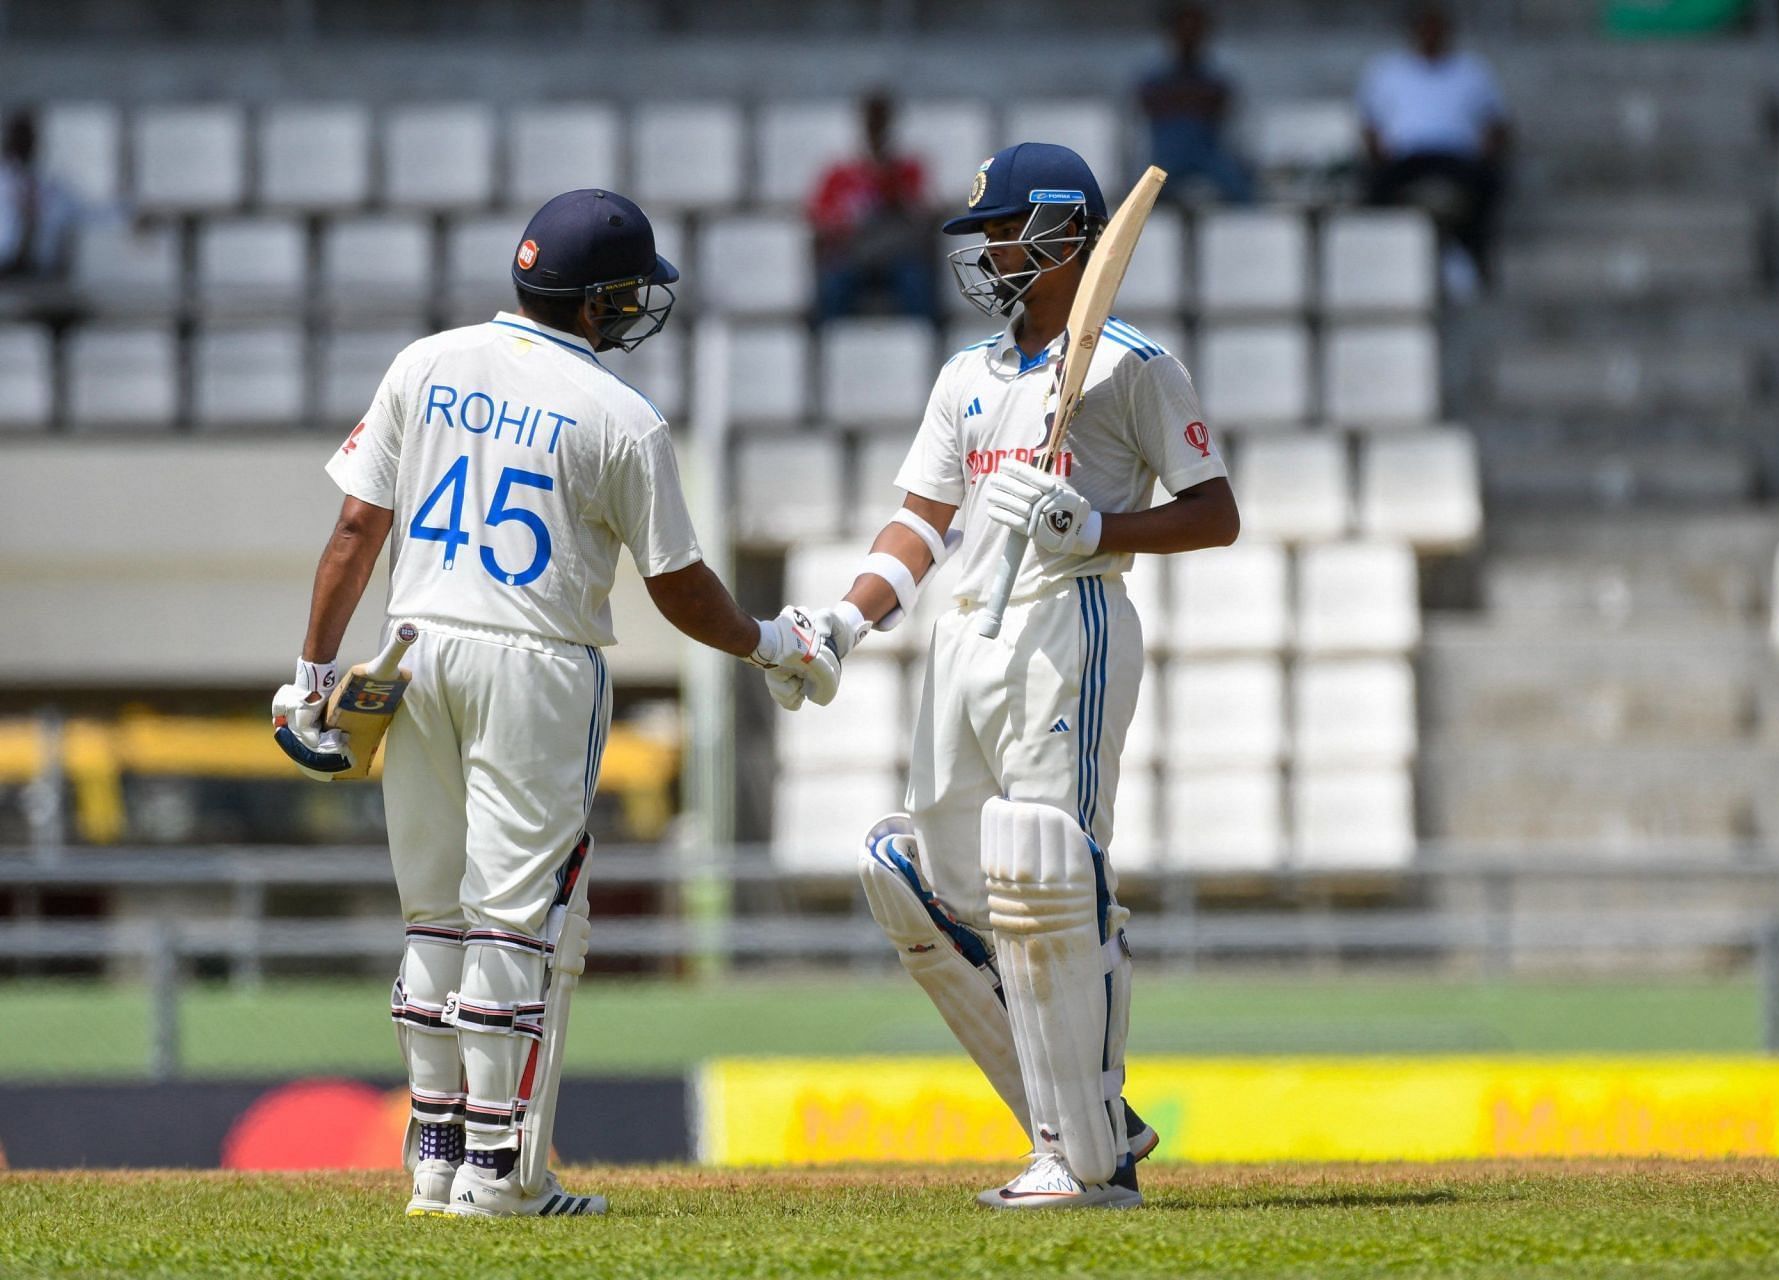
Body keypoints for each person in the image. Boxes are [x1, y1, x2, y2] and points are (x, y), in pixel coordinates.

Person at [271, 188, 839, 1219]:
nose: (636, 310)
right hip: (537, 660)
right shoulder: (624, 417)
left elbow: (356, 529)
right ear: (596, 302)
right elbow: (678, 586)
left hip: (415, 646)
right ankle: (500, 1173)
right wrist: (769, 643)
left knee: (432, 917)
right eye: (628, 294)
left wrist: (313, 677)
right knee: (512, 924)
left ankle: (435, 1159)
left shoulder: (426, 362)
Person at [771, 143, 1240, 1209]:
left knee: (1050, 871)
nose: (984, 253)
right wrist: (845, 620)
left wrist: (1099, 526)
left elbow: (1217, 512)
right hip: (964, 640)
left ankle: (1084, 1156)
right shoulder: (966, 377)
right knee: (913, 876)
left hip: (1065, 622)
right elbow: (923, 522)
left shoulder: (1134, 365)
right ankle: (1089, 1112)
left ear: (1066, 235)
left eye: (1002, 232)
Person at [1358, 2, 1511, 297]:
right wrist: (1378, 154)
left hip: (1457, 156)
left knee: (1489, 185)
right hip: (1407, 157)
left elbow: (1498, 125)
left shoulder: (1472, 71)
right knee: (1373, 189)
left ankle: (1475, 257)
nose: (1430, 35)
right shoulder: (1387, 71)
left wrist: (1487, 151)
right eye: (1424, 28)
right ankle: (1379, 265)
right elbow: (1370, 126)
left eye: (1436, 28)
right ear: (1413, 33)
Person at [808, 92, 939, 323]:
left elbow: (924, 215)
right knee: (833, 288)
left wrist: (894, 192)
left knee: (916, 284)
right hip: (853, 255)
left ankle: (928, 345)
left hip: (898, 255)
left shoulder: (907, 169)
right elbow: (821, 219)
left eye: (881, 121)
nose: (876, 128)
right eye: (872, 121)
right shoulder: (840, 173)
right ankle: (824, 350)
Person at [1137, 2, 1255, 205]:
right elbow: (1135, 130)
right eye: (1183, 27)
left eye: (1195, 28)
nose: (1189, 34)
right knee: (1140, 195)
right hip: (1165, 159)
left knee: (1242, 190)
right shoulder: (1150, 80)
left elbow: (1237, 127)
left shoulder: (1219, 80)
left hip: (1209, 156)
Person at [0, 109, 83, 281]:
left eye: (27, 139)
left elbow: (82, 211)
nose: (24, 144)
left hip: (40, 269)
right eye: (19, 139)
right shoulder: (5, 181)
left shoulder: (48, 184)